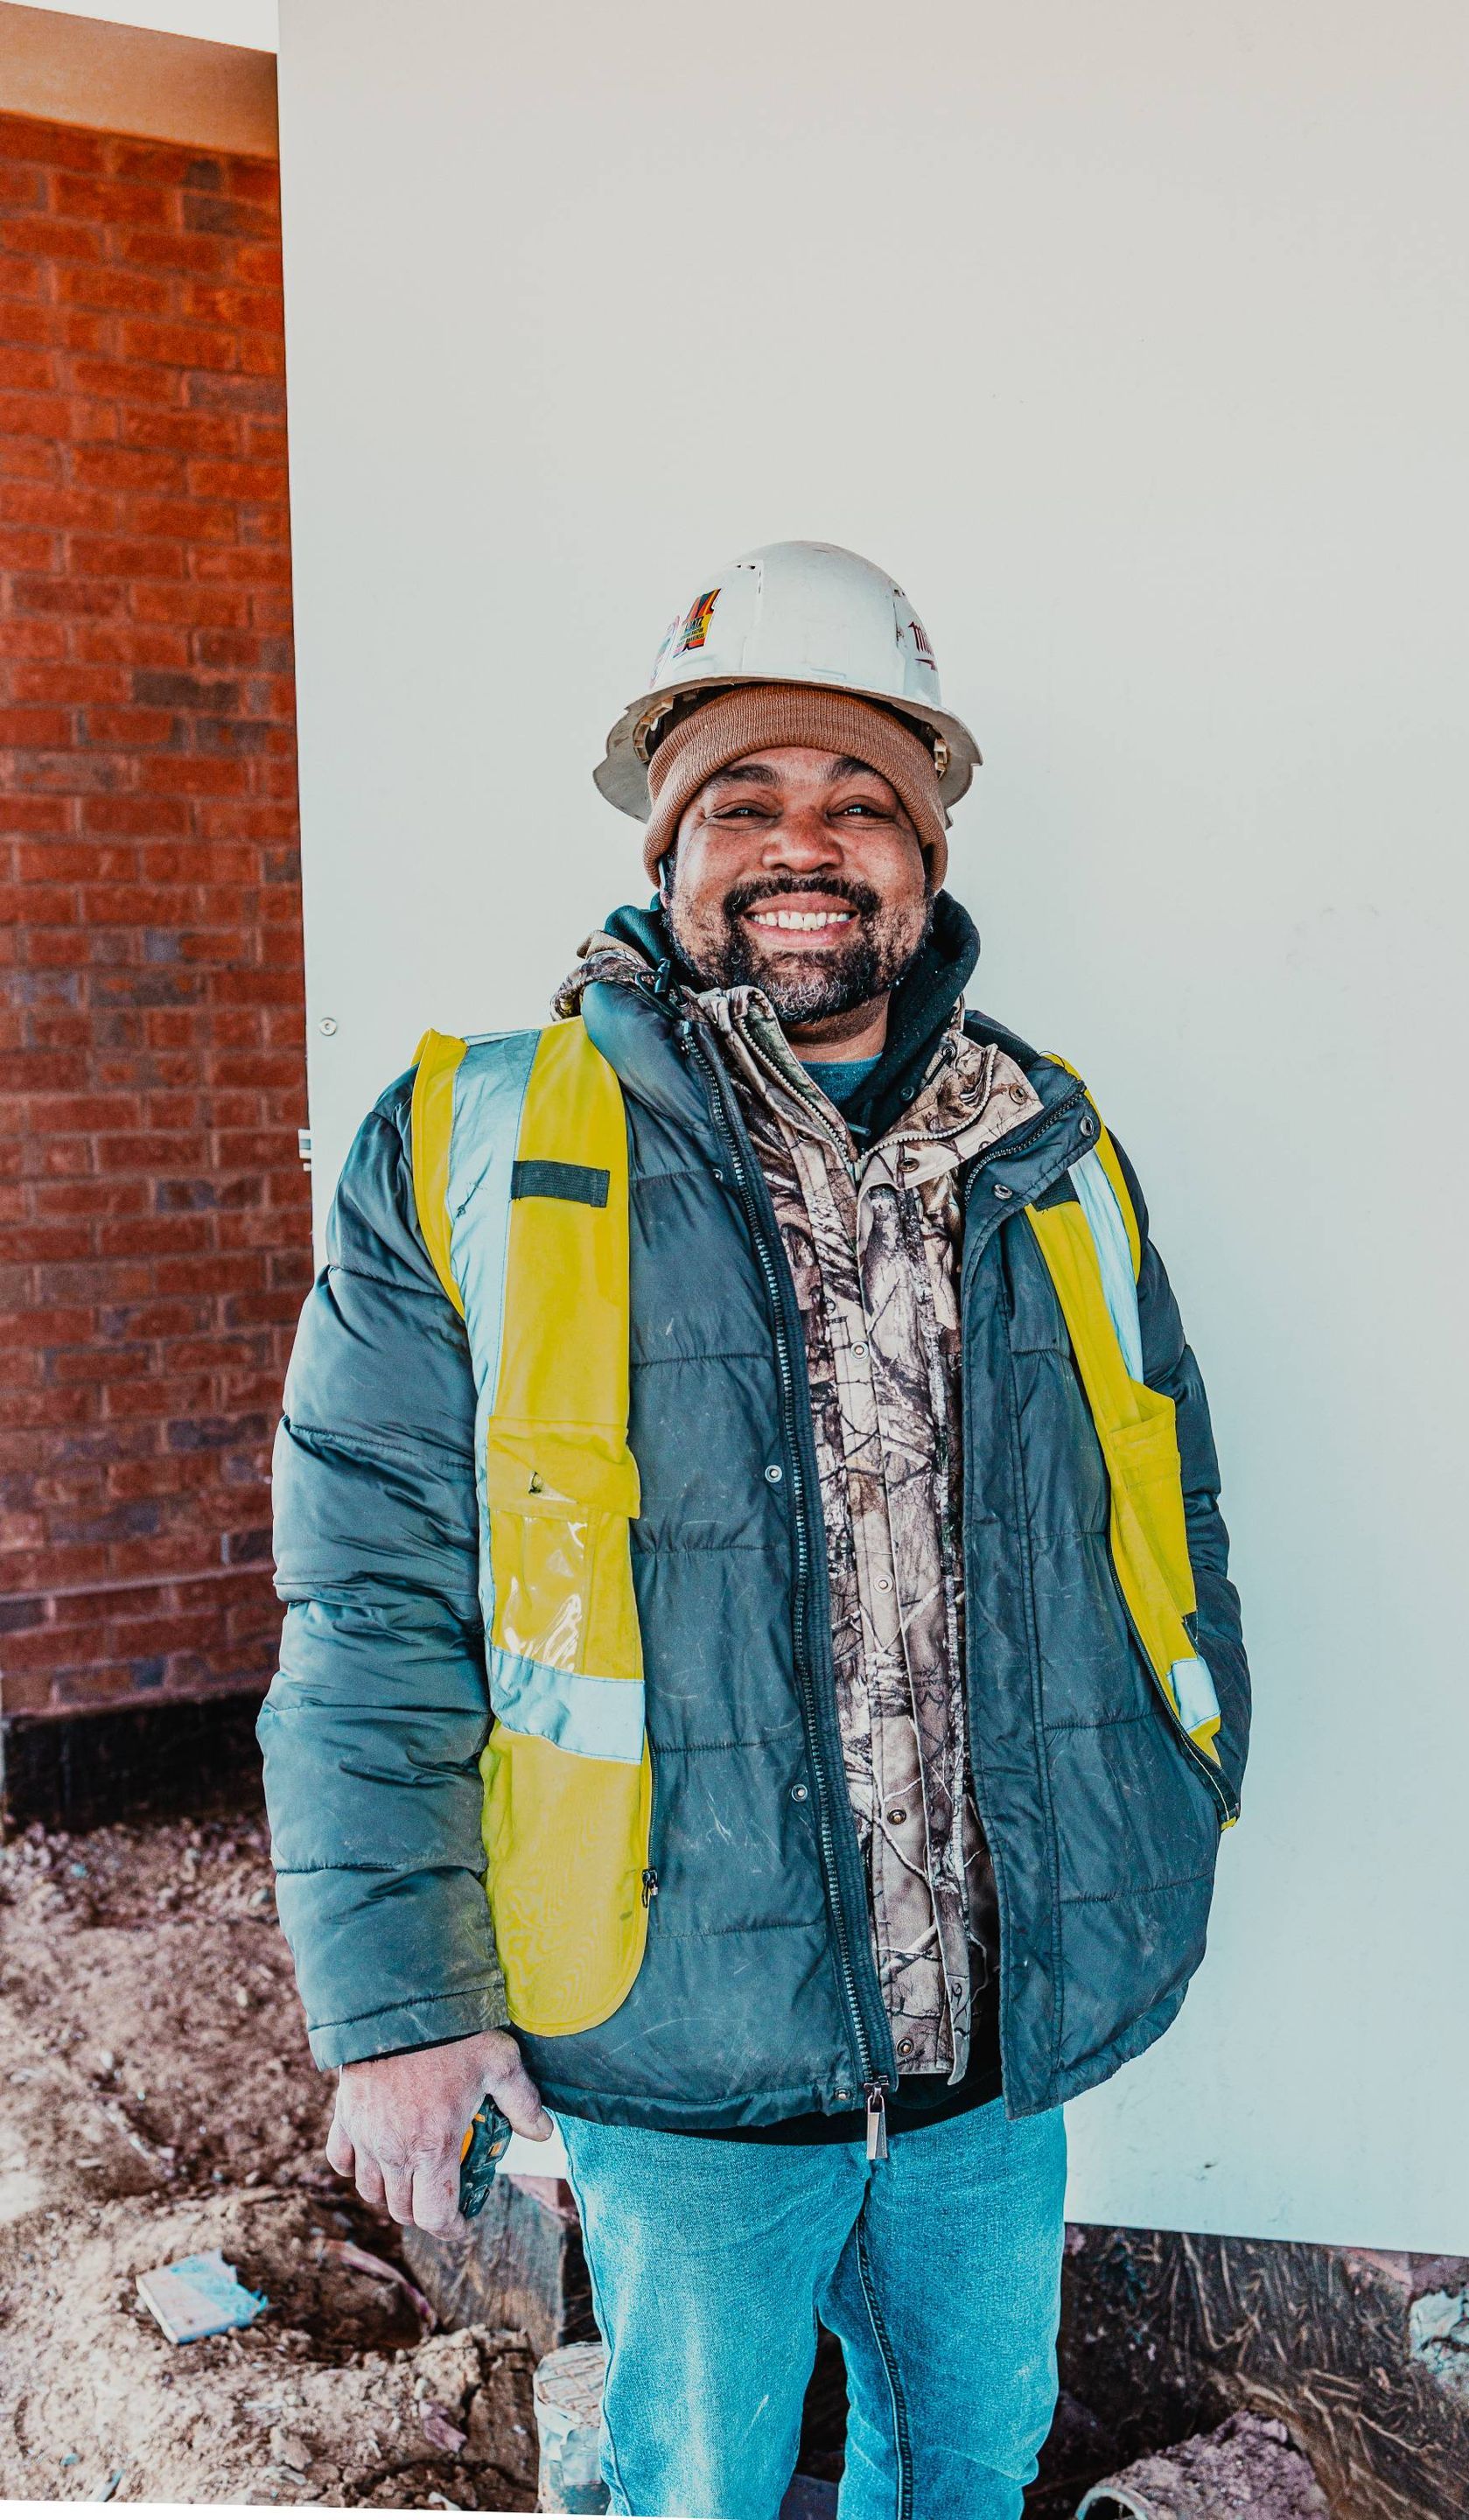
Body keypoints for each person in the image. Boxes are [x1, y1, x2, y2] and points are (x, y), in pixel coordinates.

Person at [260, 540, 1250, 2520]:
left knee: (971, 2458)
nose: (807, 846)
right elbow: (364, 1597)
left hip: (993, 2020)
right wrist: (402, 2006)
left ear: (930, 859)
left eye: (861, 803)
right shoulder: (473, 1140)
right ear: (663, 851)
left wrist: (1188, 1775)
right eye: (745, 803)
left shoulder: (1047, 1143)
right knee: (697, 2485)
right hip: (678, 2027)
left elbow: (1169, 1501)